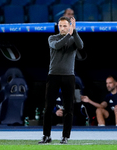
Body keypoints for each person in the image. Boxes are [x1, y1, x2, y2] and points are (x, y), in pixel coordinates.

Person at [38, 16, 83, 144]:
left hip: (69, 76)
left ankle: (65, 136)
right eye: (60, 26)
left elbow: (81, 45)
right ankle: (46, 135)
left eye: (65, 25)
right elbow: (58, 46)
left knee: (68, 108)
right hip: (53, 75)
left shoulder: (73, 37)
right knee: (48, 107)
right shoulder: (52, 38)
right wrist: (69, 34)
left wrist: (74, 32)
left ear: (69, 26)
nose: (62, 28)